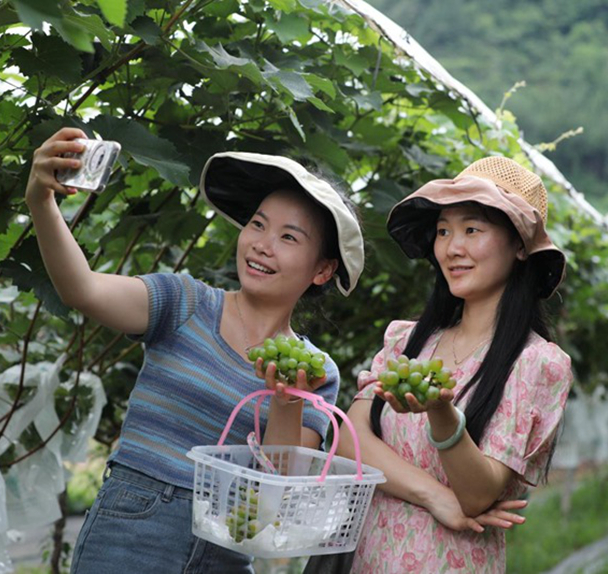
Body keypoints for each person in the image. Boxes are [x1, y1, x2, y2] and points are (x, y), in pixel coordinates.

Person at [24, 127, 366, 573]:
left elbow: (277, 492)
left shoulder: (316, 371)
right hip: (130, 529)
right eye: (257, 224)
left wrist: (285, 401)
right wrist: (41, 203)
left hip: (225, 550)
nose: (262, 243)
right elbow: (82, 290)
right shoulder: (183, 302)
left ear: (322, 269)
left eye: (288, 237)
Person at [338, 156, 573, 573]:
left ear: (520, 246)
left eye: (472, 229)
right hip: (367, 559)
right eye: (444, 230)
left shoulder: (536, 364)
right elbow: (350, 438)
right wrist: (436, 496)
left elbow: (478, 495)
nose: (452, 247)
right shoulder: (407, 340)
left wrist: (442, 413)